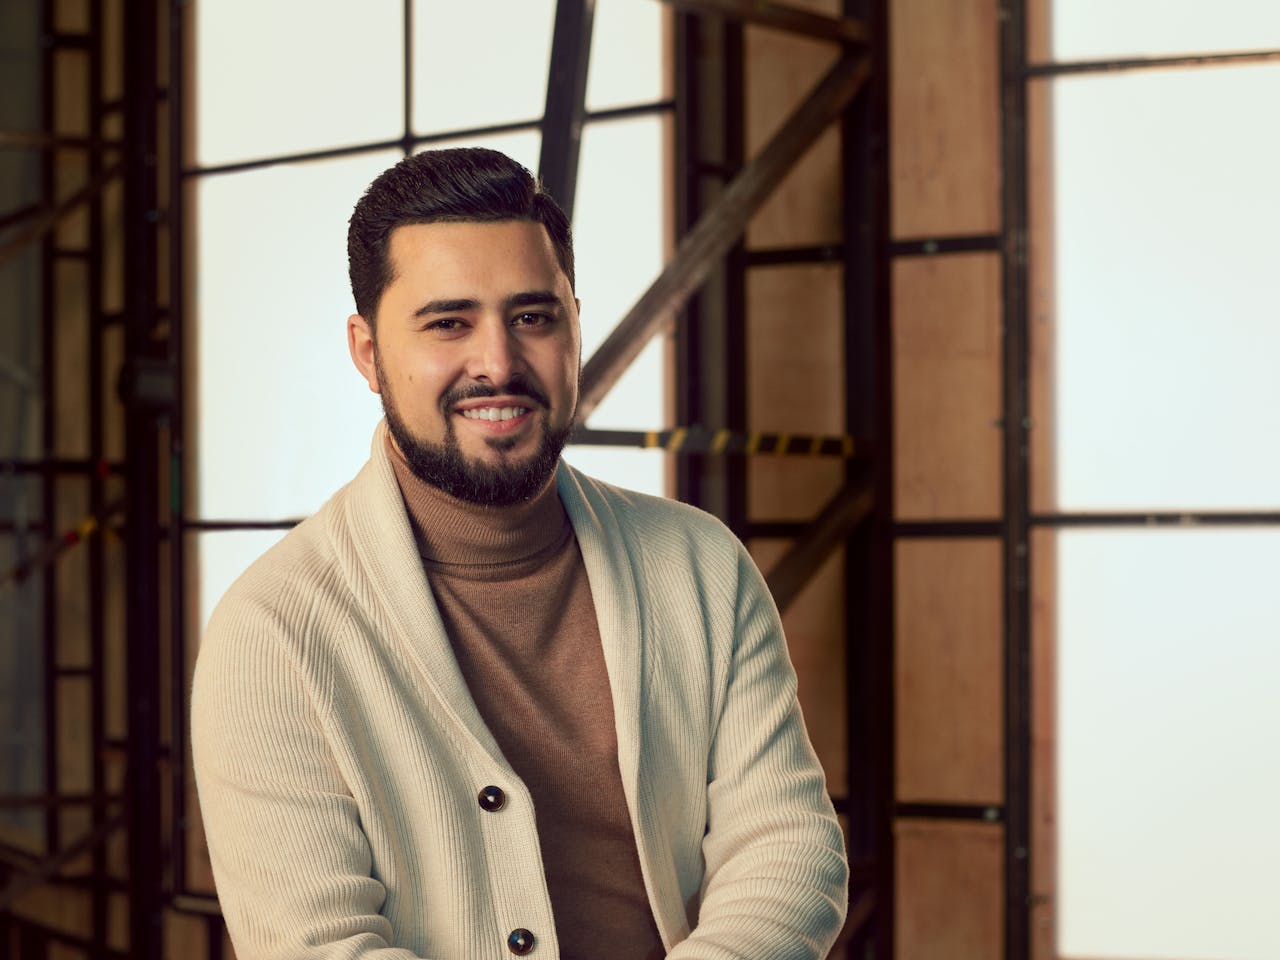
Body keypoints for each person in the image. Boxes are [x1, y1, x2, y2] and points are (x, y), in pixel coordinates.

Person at [191, 147, 848, 959]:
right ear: (367, 353)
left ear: (574, 324)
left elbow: (788, 852)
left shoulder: (700, 564)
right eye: (448, 323)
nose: (498, 364)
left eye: (533, 317)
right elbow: (319, 946)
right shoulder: (272, 633)